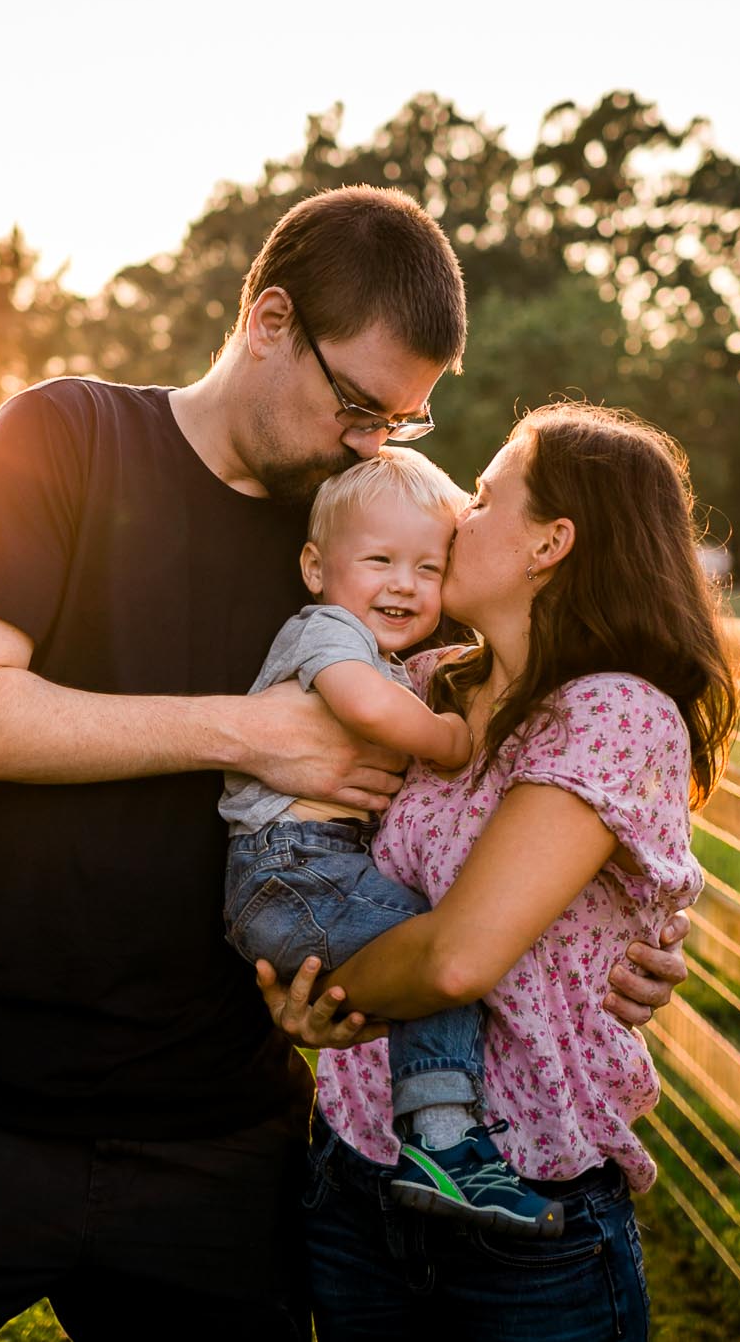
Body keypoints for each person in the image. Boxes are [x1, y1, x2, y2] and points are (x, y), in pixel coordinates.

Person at [0, 186, 691, 1342]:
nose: (368, 440)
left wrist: (617, 944)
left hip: (216, 1133)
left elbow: (517, 756)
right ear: (271, 321)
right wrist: (242, 730)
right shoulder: (69, 433)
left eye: (397, 422)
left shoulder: (362, 535)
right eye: (354, 403)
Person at [263, 403, 738, 1339]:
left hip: (526, 1220)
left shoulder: (615, 711)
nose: (453, 517)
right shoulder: (427, 683)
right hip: (358, 1184)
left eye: (482, 499)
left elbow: (455, 961)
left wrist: (309, 990)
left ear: (550, 544)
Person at [219, 449, 562, 1240]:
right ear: (315, 567)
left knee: (434, 955)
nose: (404, 584)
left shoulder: (401, 657)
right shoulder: (326, 631)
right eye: (379, 561)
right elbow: (364, 707)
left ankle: (440, 1141)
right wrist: (447, 738)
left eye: (426, 566)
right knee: (436, 961)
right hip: (290, 869)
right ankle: (443, 1142)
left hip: (308, 872)